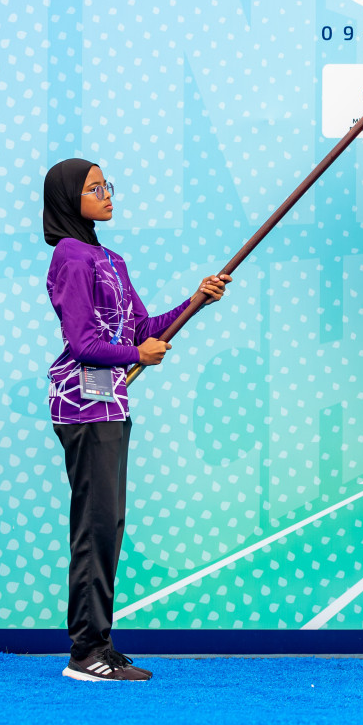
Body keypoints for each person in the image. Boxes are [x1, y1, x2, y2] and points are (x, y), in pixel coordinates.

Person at [43, 158, 230, 681]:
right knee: (94, 527)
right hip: (82, 404)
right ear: (67, 199)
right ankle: (85, 654)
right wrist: (135, 356)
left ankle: (100, 642)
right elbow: (81, 343)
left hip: (113, 403)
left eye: (106, 185)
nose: (106, 194)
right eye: (93, 188)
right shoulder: (71, 258)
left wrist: (197, 300)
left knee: (109, 525)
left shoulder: (110, 259)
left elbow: (144, 327)